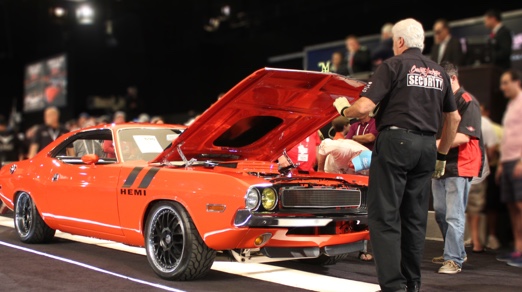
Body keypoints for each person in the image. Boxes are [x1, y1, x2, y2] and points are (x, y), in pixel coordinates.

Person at [333, 18, 460, 292]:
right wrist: (441, 155)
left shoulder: (392, 65)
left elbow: (365, 107)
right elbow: (454, 118)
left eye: (393, 41)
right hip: (427, 148)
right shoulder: (439, 72)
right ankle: (412, 284)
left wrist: (345, 111)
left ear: (400, 42)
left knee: (385, 216)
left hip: (396, 143)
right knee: (414, 219)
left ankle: (393, 287)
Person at [431, 62, 484, 275]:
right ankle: (455, 252)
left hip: (461, 164)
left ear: (452, 79)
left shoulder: (467, 101)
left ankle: (453, 259)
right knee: (441, 213)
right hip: (441, 163)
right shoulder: (442, 103)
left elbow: (463, 136)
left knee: (454, 215)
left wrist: (431, 144)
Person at [495, 69, 522, 268]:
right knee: (512, 207)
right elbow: (508, 135)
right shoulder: (511, 105)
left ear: (516, 82)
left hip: (519, 161)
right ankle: (518, 249)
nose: (502, 87)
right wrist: (502, 164)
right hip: (508, 162)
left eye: (506, 83)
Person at [465, 103, 499, 252]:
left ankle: (475, 239)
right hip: (477, 169)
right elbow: (491, 149)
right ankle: (475, 240)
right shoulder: (485, 123)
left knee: (466, 207)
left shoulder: (463, 118)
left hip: (466, 169)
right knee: (474, 207)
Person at [480, 104, 503, 250]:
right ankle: (477, 238)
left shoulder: (497, 129)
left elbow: (495, 150)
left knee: (492, 205)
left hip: (493, 170)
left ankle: (492, 236)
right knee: (477, 206)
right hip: (477, 170)